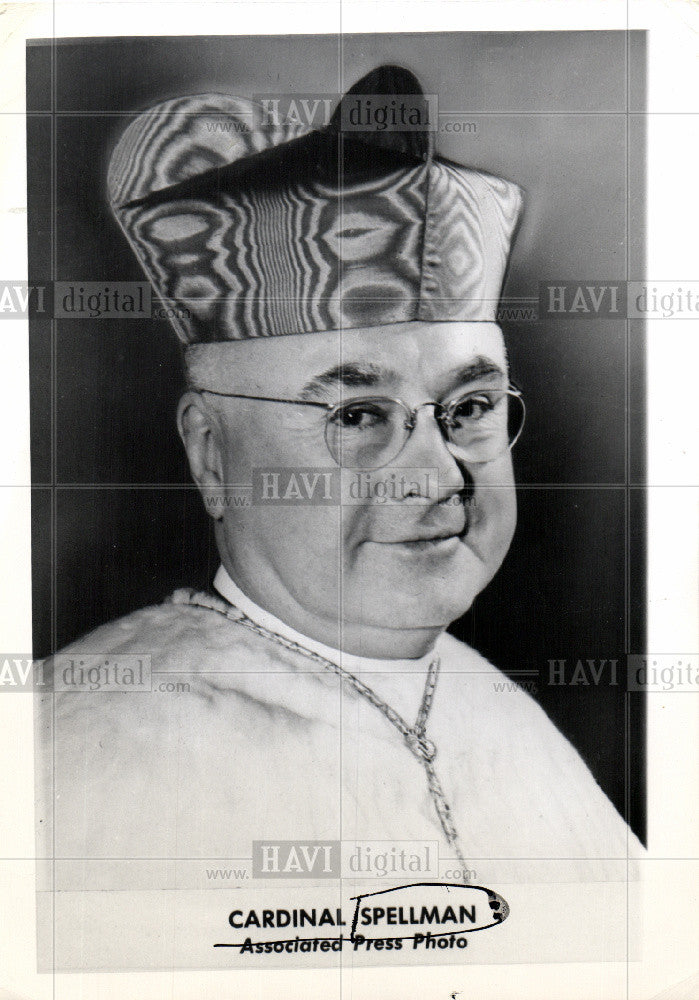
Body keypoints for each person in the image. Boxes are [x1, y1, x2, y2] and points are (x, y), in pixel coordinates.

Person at [36, 67, 638, 956]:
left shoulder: (489, 702)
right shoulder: (83, 738)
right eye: (357, 416)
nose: (437, 477)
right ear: (211, 453)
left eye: (468, 409)